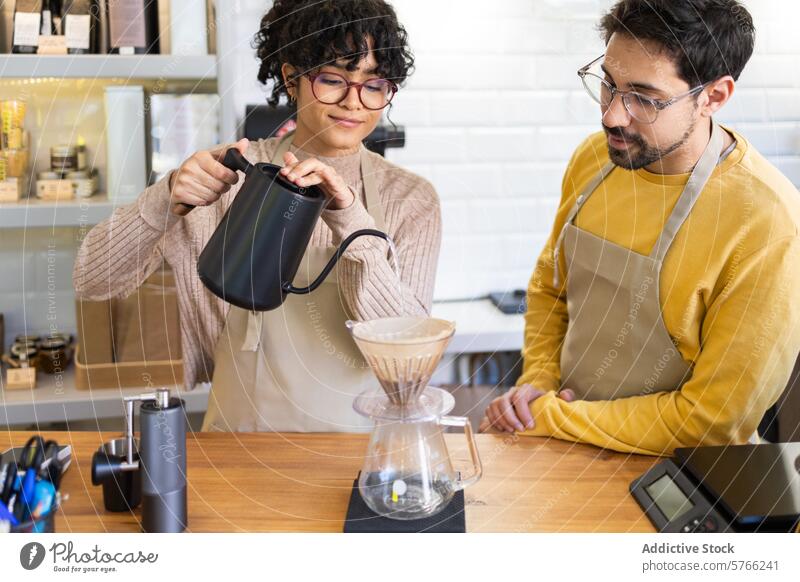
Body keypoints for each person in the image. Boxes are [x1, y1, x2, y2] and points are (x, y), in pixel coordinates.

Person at [73, 0, 441, 432]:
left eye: (374, 84)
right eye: (332, 79)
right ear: (291, 79)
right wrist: (162, 200)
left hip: (366, 457)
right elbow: (90, 282)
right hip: (240, 445)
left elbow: (410, 362)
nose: (354, 103)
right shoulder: (226, 179)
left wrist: (352, 226)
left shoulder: (412, 199)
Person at [481, 0, 800, 455]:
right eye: (609, 85)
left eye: (645, 99)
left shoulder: (768, 224)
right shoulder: (596, 158)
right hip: (563, 446)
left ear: (714, 96)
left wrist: (552, 415)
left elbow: (714, 419)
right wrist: (538, 382)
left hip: (679, 482)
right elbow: (550, 288)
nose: (612, 115)